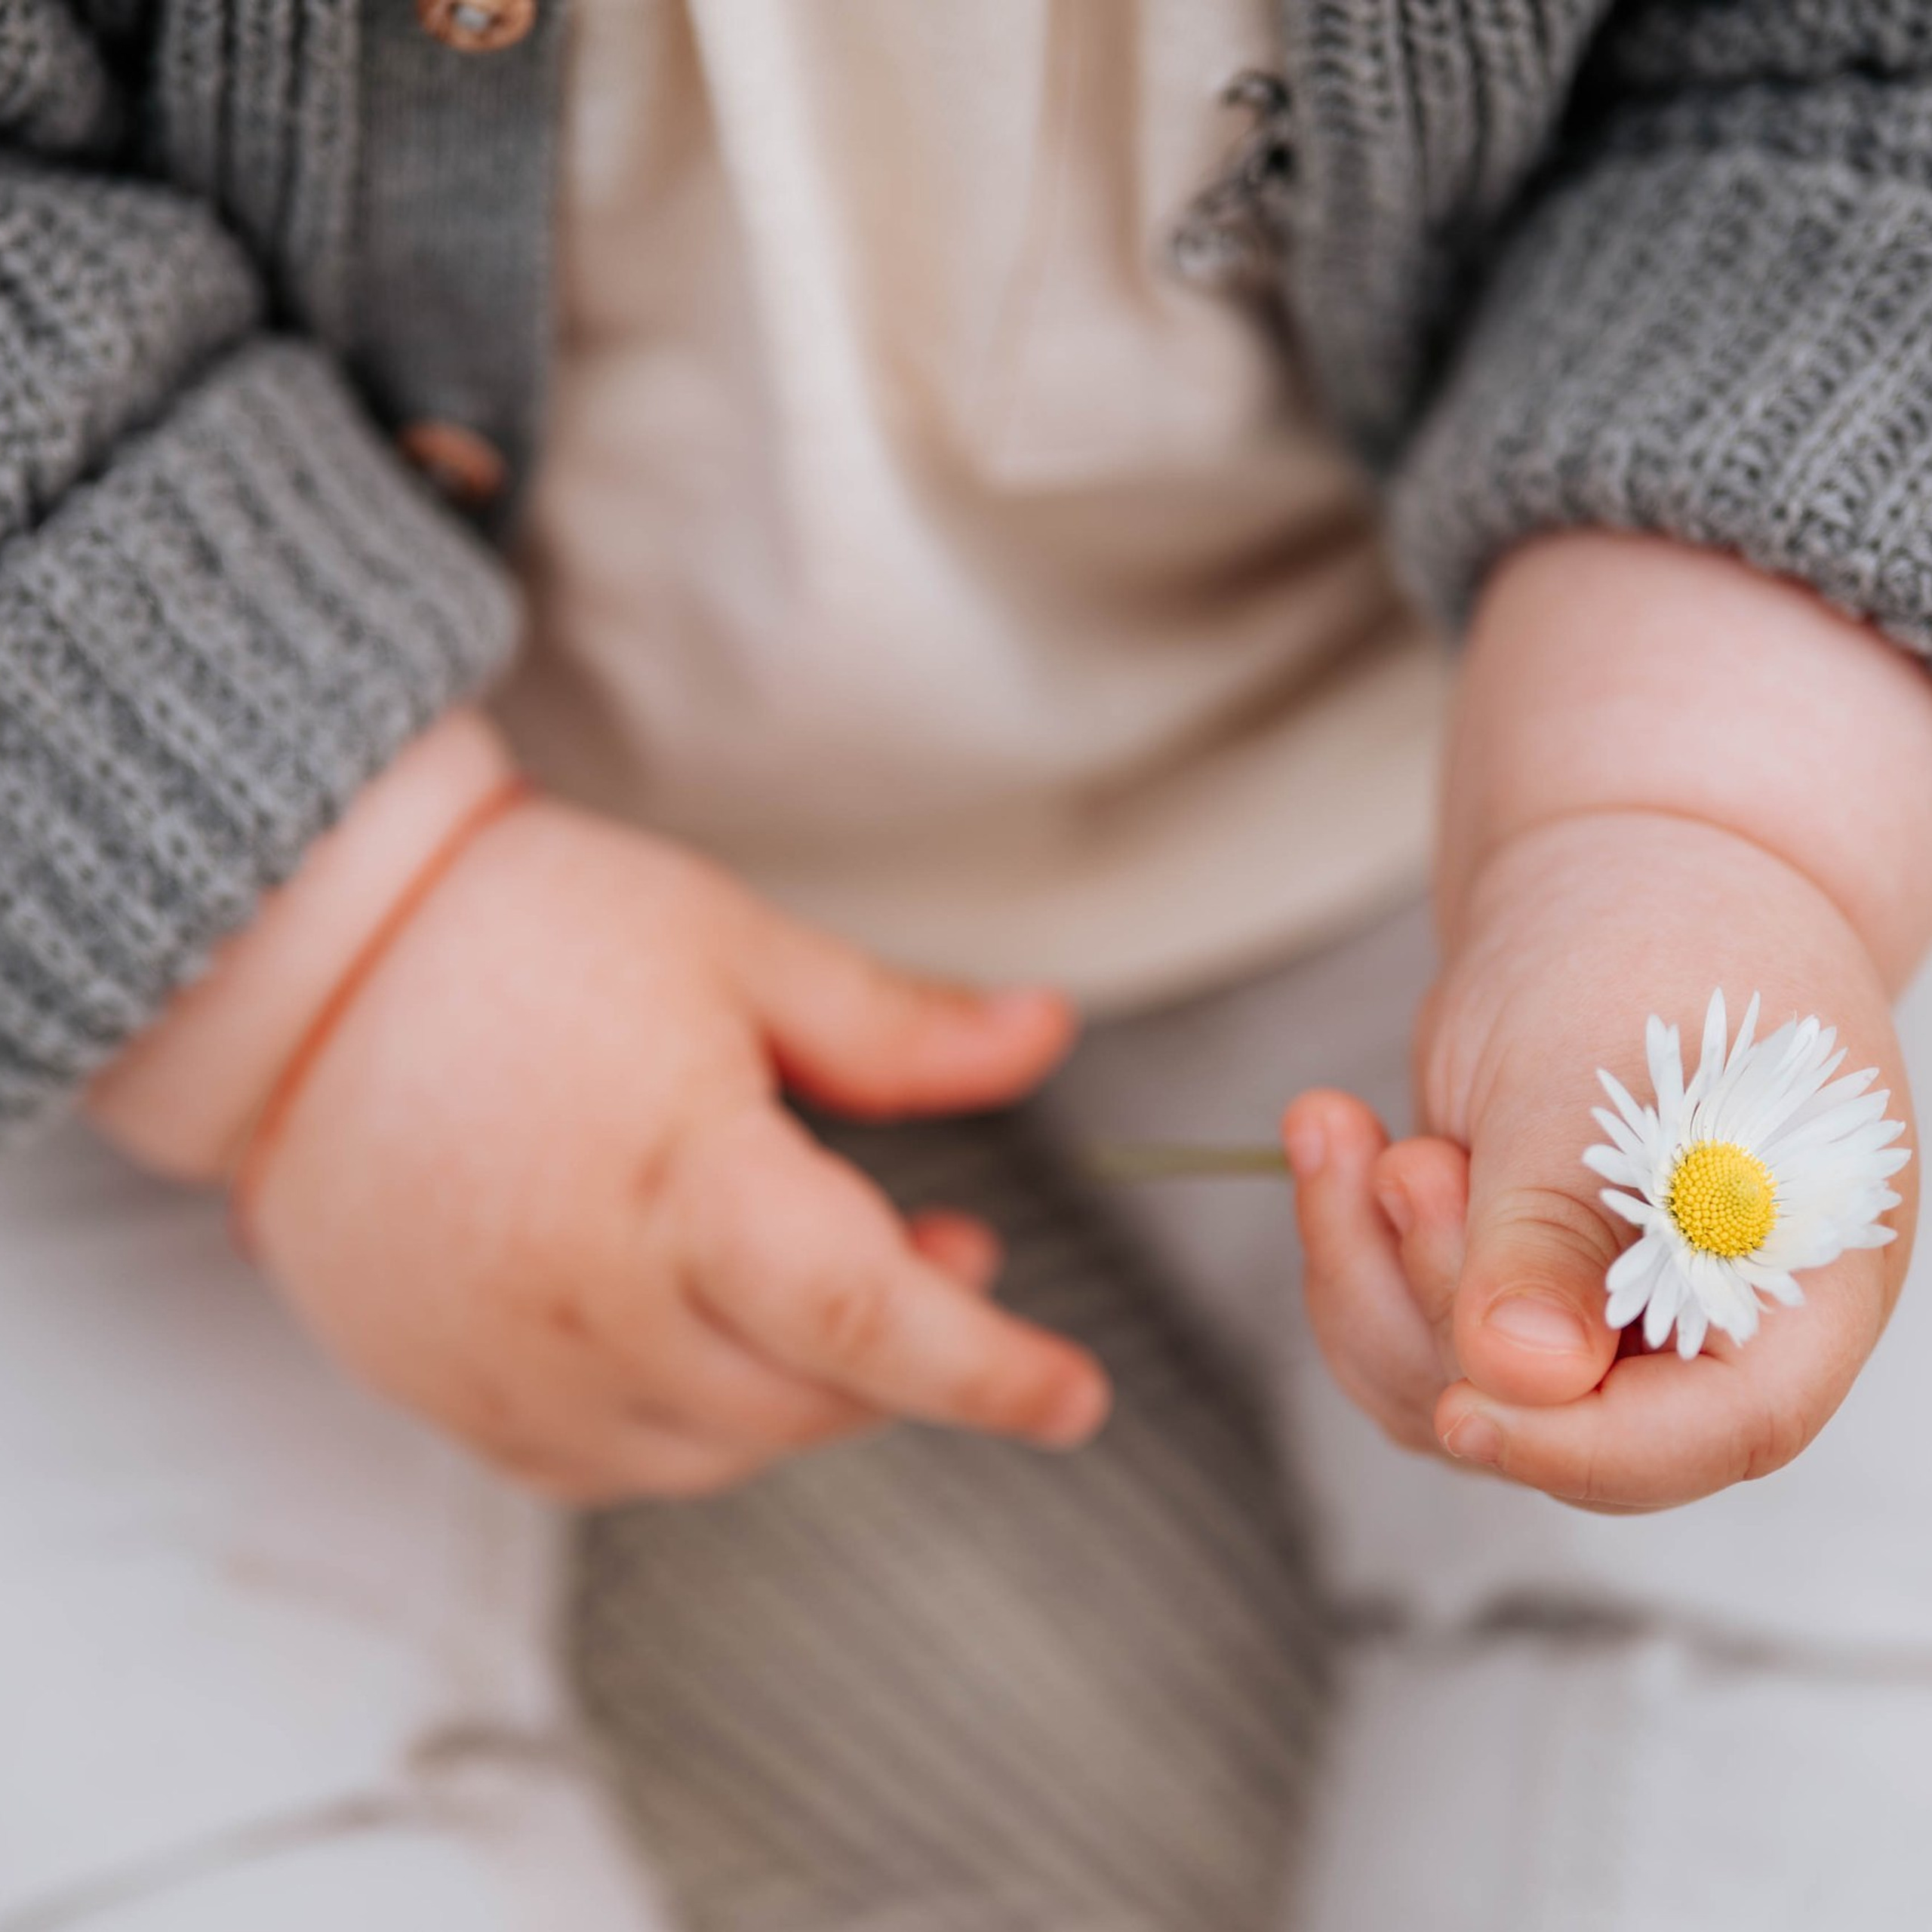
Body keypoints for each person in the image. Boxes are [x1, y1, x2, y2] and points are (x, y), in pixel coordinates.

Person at [7, 2, 1932, 1927]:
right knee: (103, 1702)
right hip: (209, 756)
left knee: (1827, 1531)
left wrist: (1690, 827)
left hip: (1448, 737)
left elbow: (1847, 116)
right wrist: (346, 961)